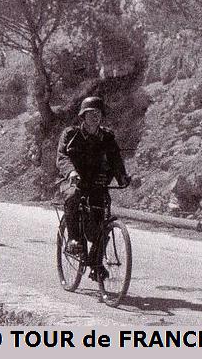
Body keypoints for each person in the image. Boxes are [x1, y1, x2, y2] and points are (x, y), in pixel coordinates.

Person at [56, 96, 130, 282]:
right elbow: (62, 157)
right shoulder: (70, 134)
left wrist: (122, 176)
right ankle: (74, 239)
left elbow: (115, 160)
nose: (95, 117)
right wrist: (71, 173)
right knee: (73, 196)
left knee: (102, 224)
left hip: (97, 184)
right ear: (83, 116)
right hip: (74, 181)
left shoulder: (107, 137)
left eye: (98, 113)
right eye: (91, 114)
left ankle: (95, 264)